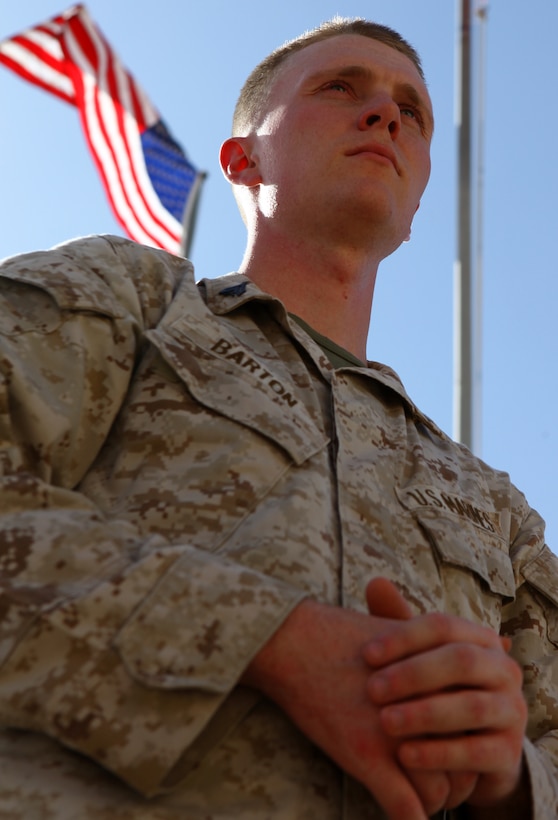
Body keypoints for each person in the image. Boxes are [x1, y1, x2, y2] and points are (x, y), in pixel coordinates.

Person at [0, 16, 556, 820]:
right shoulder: (130, 300)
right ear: (242, 158)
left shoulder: (497, 508)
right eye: (341, 87)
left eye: (413, 110)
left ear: (420, 190)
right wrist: (271, 640)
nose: (385, 114)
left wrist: (503, 773)